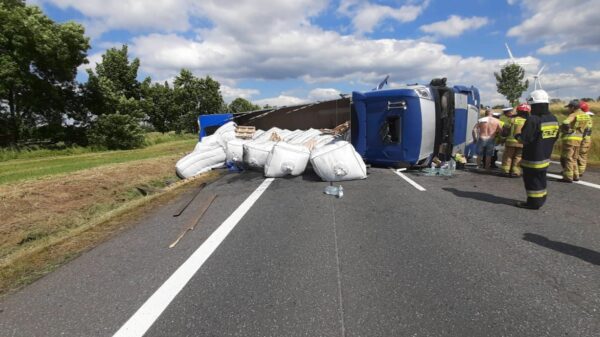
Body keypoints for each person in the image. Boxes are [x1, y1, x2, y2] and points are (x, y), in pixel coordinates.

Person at [514, 90, 558, 209]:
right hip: (545, 156)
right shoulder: (553, 118)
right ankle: (541, 199)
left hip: (532, 158)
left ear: (534, 105)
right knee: (541, 179)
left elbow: (524, 139)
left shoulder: (533, 119)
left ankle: (533, 203)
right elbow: (555, 137)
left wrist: (517, 135)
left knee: (532, 181)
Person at [560, 99, 590, 182]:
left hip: (570, 139)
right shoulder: (585, 116)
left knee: (568, 158)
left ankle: (568, 177)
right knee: (574, 158)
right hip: (579, 139)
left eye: (569, 107)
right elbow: (586, 129)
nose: (568, 109)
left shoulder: (573, 114)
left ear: (573, 107)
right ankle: (576, 175)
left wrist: (566, 129)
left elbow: (565, 122)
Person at [501, 103, 529, 177]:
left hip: (511, 142)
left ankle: (506, 170)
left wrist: (503, 137)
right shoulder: (527, 120)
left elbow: (505, 130)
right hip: (522, 143)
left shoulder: (512, 119)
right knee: (518, 157)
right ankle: (515, 171)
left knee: (508, 156)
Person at [577, 101, 594, 177]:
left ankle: (579, 172)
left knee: (580, 155)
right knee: (582, 155)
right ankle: (579, 171)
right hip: (587, 139)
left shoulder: (584, 118)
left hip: (583, 139)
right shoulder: (589, 117)